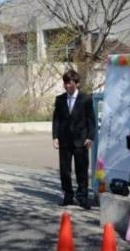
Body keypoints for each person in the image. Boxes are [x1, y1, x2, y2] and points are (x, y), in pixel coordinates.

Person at [52, 70, 95, 210]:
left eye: (69, 83)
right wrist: (55, 137)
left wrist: (90, 137)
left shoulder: (86, 99)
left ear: (77, 83)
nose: (66, 86)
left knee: (81, 170)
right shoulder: (60, 99)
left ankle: (82, 197)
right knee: (65, 170)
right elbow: (56, 120)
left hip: (81, 140)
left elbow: (91, 120)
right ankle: (68, 196)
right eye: (65, 83)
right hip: (64, 140)